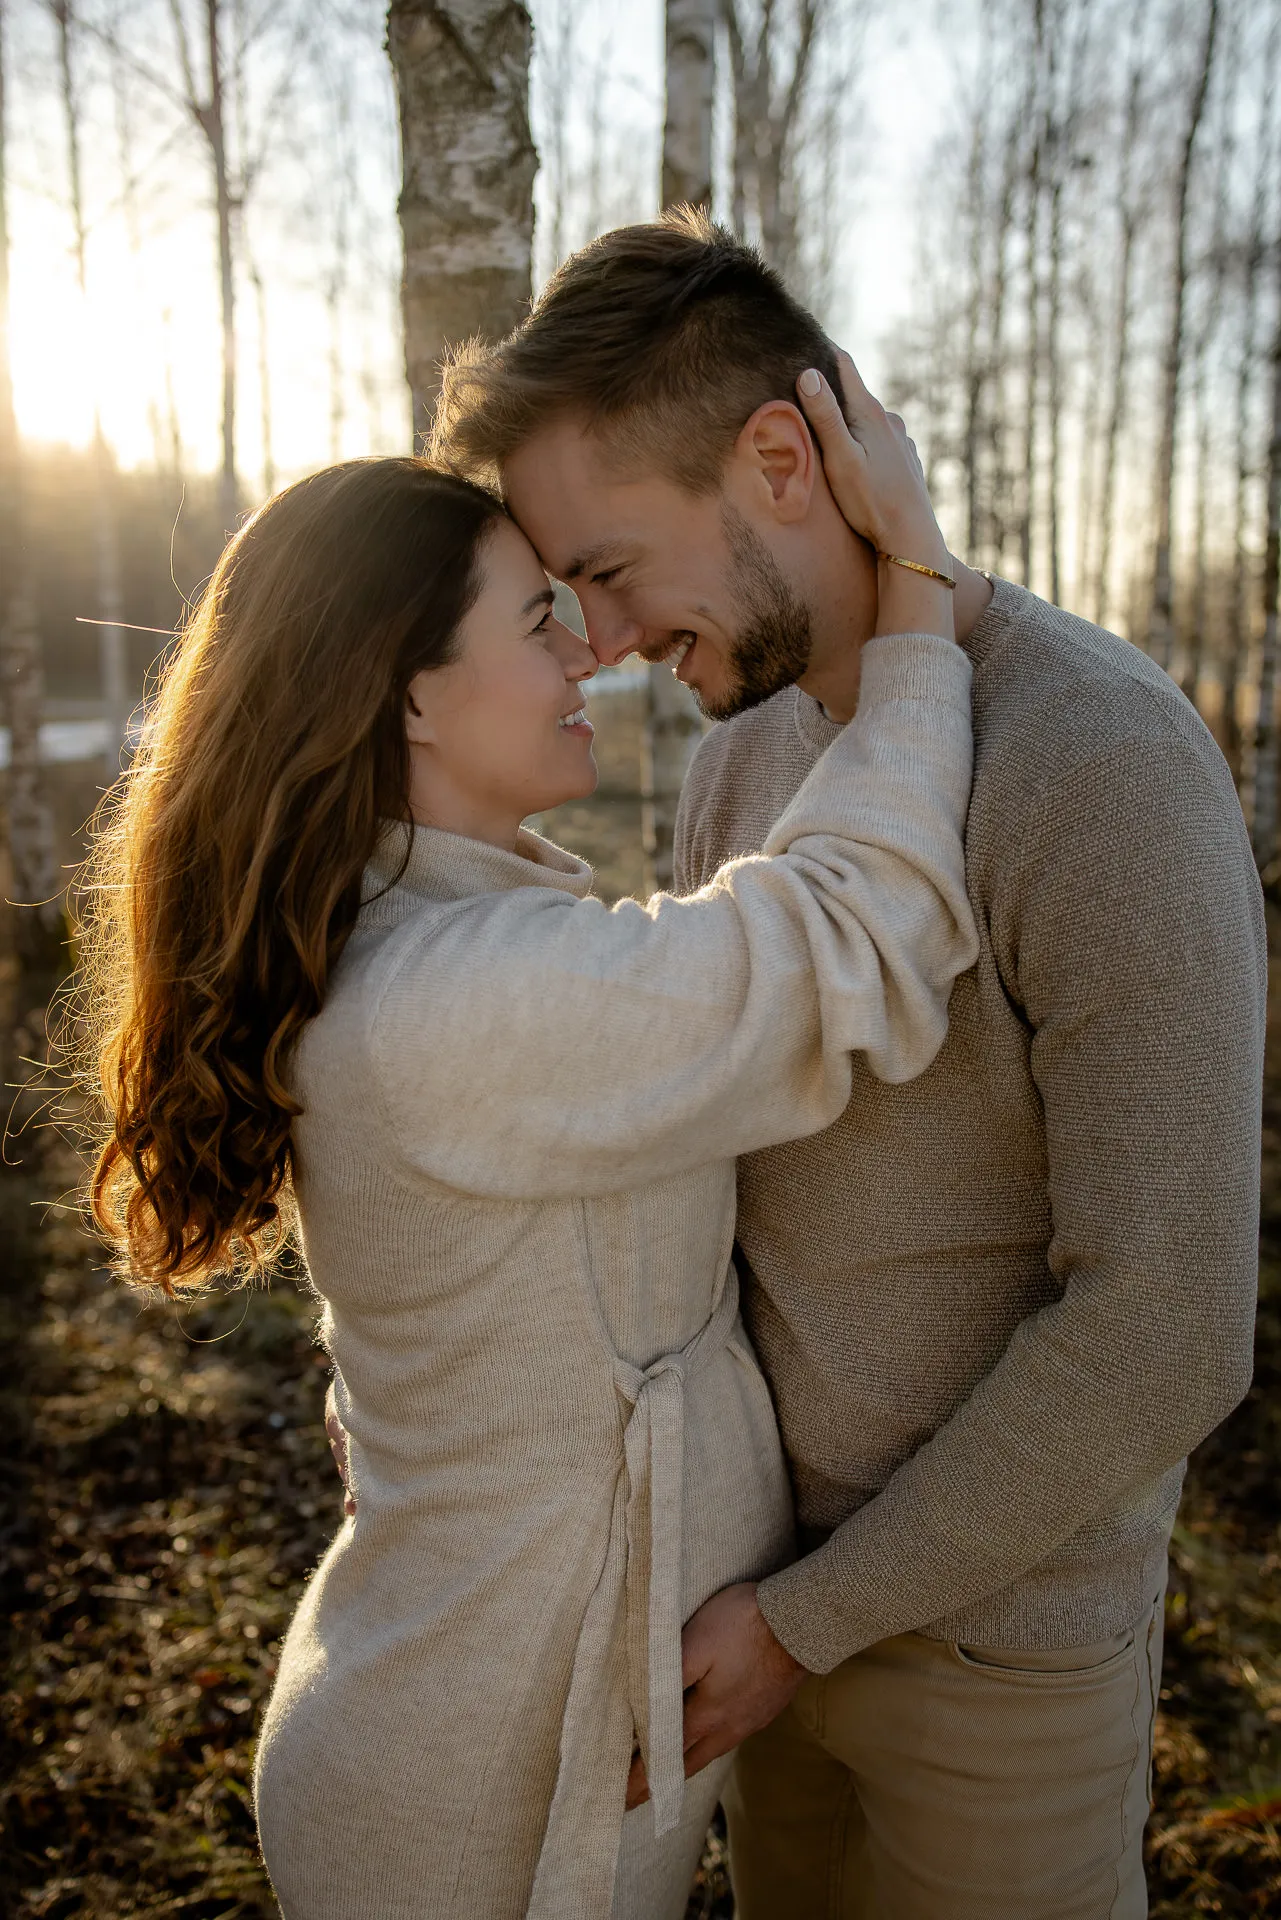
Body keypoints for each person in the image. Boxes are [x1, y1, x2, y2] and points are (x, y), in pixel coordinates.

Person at [432, 206, 1265, 1918]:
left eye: (605, 572)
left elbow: (1170, 1318)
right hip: (758, 1638)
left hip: (992, 1660)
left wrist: (808, 1620)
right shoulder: (746, 760)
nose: (594, 641)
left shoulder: (1102, 758)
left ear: (779, 456)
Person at [76, 425, 975, 1918]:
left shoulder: (432, 947)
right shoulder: (454, 991)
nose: (592, 655)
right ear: (413, 691)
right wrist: (920, 605)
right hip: (457, 1812)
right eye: (537, 618)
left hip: (499, 1752)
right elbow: (848, 944)